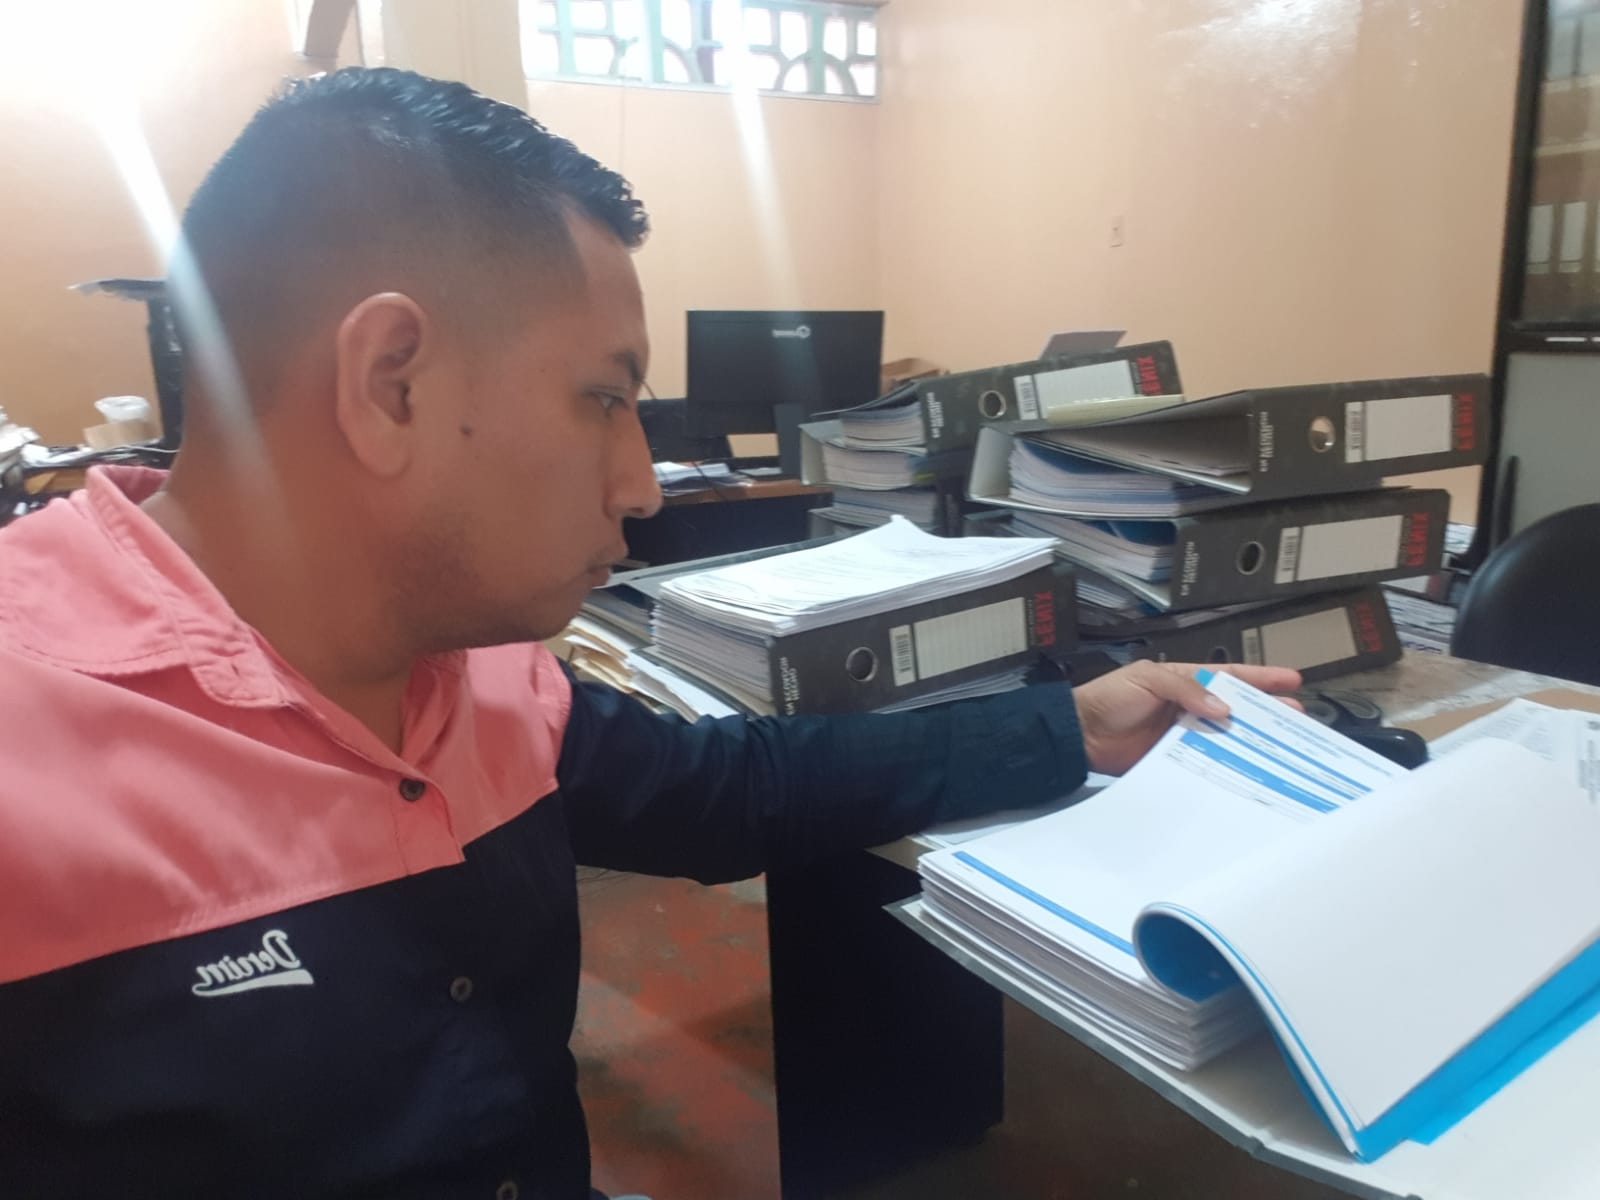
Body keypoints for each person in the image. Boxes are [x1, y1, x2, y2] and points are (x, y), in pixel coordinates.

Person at [0, 67, 1300, 1199]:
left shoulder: (481, 672)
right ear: (390, 384)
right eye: (603, 400)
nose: (640, 485)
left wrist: (1072, 724)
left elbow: (729, 788)